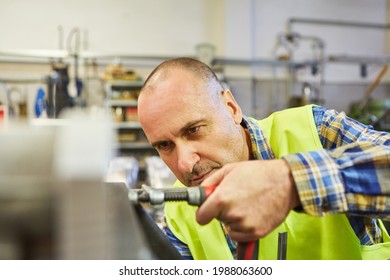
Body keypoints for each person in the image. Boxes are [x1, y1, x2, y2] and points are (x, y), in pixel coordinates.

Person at [137, 57, 390, 260]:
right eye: (164, 145)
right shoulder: (178, 213)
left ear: (231, 108)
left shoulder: (317, 132)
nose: (184, 163)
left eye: (193, 130)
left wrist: (291, 182)